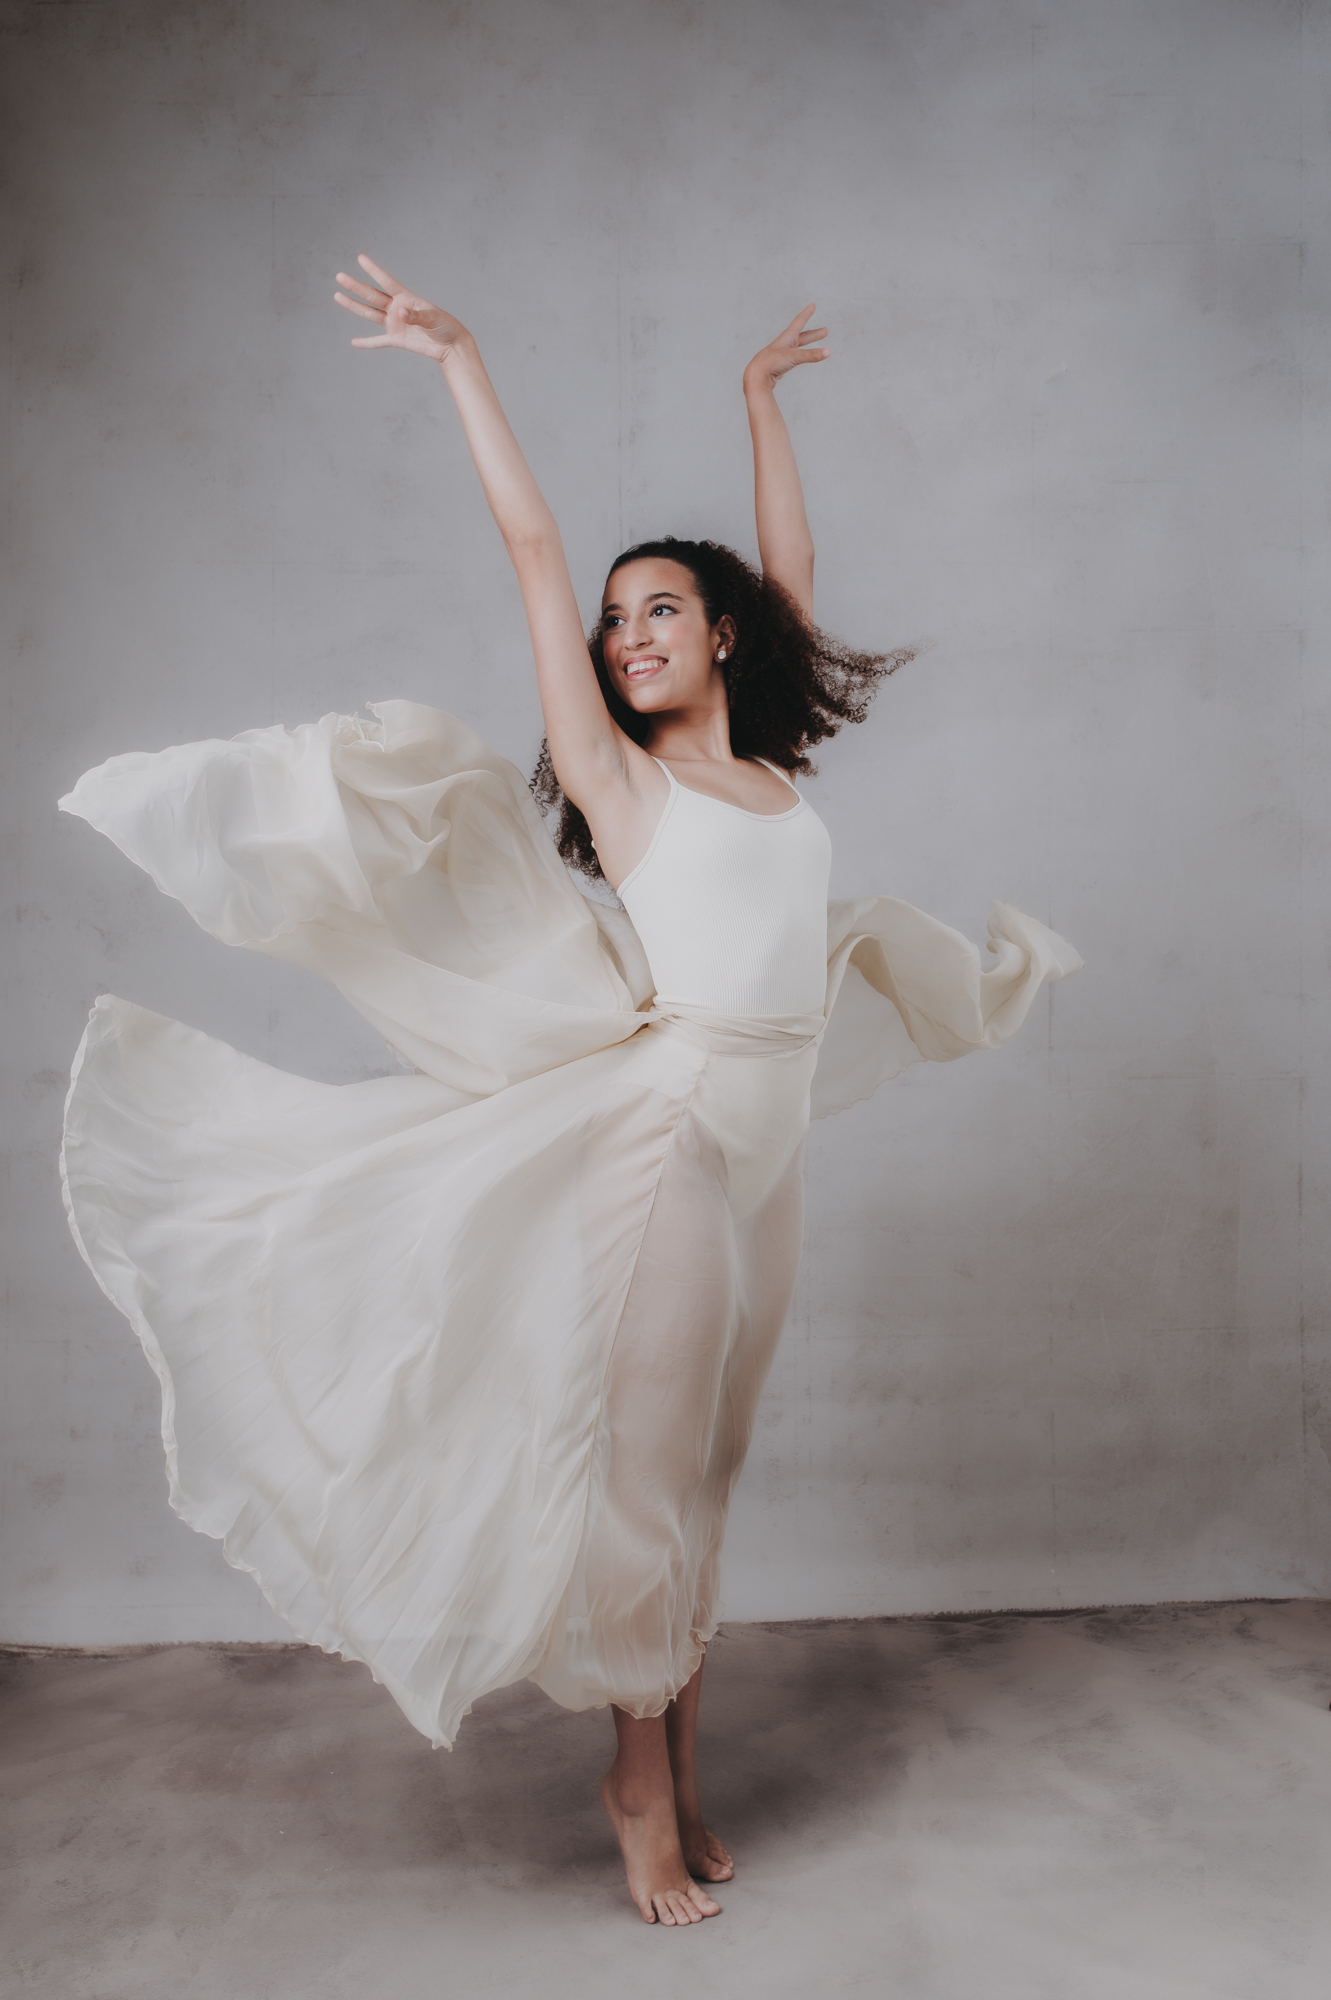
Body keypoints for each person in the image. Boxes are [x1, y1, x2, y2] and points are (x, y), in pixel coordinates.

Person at [58, 256, 1082, 1928]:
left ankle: (682, 1759)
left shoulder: (768, 767)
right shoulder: (618, 784)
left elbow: (797, 573)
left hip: (773, 1152)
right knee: (647, 1475)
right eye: (617, 624)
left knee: (716, 1474)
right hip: (676, 1138)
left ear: (723, 632)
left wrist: (758, 407)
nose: (628, 633)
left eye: (661, 607)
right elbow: (533, 552)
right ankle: (631, 1781)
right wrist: (461, 358)